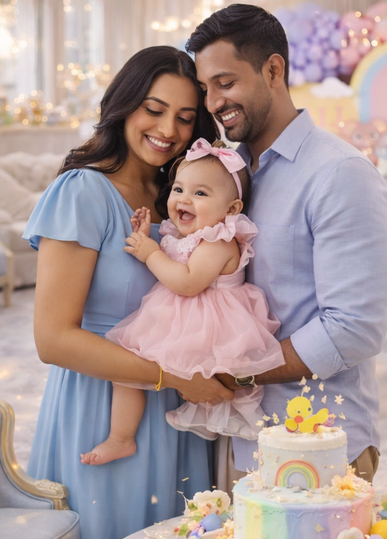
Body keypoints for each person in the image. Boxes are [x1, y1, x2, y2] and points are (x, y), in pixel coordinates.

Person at [24, 46, 235, 539]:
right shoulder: (83, 192)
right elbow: (52, 340)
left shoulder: (178, 195)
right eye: (154, 109)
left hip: (178, 412)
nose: (169, 129)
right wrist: (176, 378)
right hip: (105, 404)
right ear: (124, 104)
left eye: (186, 118)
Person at [186, 5, 387, 482]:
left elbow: (353, 329)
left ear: (274, 70)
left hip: (319, 442)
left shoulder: (340, 174)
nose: (214, 102)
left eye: (225, 82)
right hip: (239, 435)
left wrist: (235, 373)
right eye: (205, 89)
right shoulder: (226, 174)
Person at [82, 138, 285, 465]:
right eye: (178, 189)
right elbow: (175, 259)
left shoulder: (219, 241)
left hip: (211, 327)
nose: (183, 199)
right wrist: (150, 239)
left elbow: (188, 282)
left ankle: (195, 419)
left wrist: (149, 253)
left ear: (232, 209)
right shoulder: (187, 236)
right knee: (127, 369)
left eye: (200, 193)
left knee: (156, 371)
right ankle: (121, 438)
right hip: (183, 319)